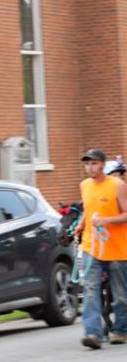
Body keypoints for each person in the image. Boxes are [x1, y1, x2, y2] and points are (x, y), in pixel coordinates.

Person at [75, 148, 127, 349]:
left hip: (117, 247)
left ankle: (120, 330)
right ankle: (93, 334)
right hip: (92, 246)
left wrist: (105, 221)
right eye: (87, 164)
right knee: (90, 290)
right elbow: (89, 211)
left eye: (94, 163)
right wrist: (81, 224)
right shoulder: (84, 185)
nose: (90, 167)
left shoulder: (117, 186)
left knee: (121, 294)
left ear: (102, 165)